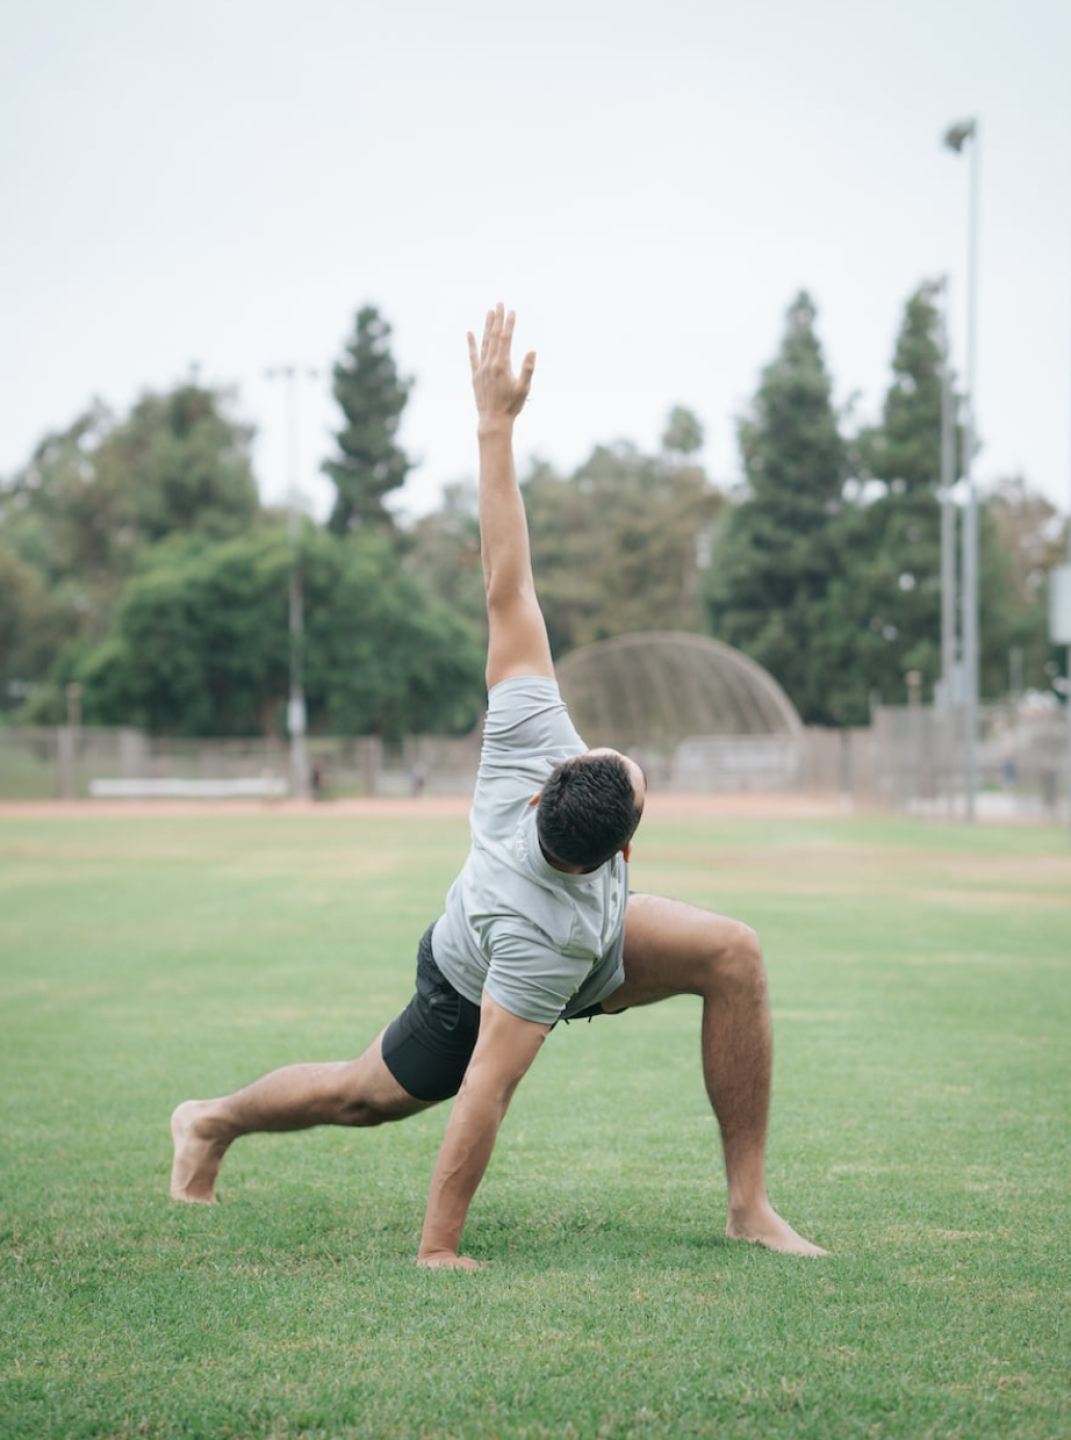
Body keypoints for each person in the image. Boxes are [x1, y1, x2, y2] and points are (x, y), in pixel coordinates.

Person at [170, 304, 826, 1268]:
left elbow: (507, 585)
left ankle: (748, 1206)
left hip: (588, 941)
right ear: (611, 836)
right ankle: (211, 1120)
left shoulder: (532, 737)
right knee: (362, 1096)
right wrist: (440, 1249)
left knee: (733, 953)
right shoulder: (537, 932)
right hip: (477, 973)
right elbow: (487, 1086)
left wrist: (493, 426)